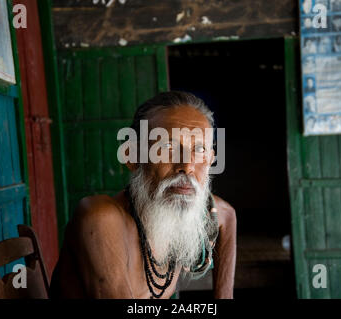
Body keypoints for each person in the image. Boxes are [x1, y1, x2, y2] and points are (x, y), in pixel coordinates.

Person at [49, 91, 237, 299]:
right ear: (132, 156)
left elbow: (227, 215)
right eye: (168, 147)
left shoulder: (191, 209)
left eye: (199, 149)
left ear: (210, 160)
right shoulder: (100, 217)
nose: (187, 166)